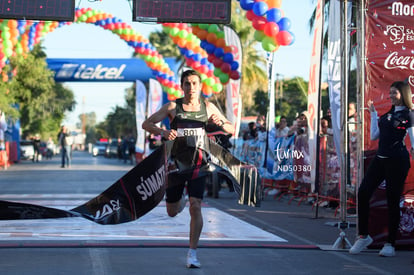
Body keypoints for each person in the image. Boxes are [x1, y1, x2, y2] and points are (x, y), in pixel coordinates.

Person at [142, 70, 234, 268]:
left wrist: (221, 123)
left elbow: (231, 128)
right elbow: (146, 124)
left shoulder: (208, 107)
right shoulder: (173, 107)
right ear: (181, 86)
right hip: (176, 163)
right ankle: (179, 201)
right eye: (187, 83)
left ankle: (192, 253)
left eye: (194, 83)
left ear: (200, 86)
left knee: (196, 206)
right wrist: (163, 132)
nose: (191, 87)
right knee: (172, 211)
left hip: (199, 163)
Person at [349, 81, 414, 257]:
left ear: (404, 94)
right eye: (391, 92)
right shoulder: (388, 115)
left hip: (397, 161)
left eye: (395, 93)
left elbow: (413, 139)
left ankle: (390, 243)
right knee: (363, 192)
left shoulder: (409, 115)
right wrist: (374, 114)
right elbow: (374, 135)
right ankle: (363, 236)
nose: (392, 95)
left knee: (392, 200)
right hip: (380, 159)